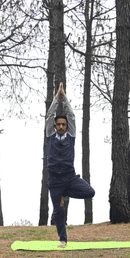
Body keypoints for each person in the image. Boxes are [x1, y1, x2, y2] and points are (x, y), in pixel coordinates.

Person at [44, 83, 95, 248]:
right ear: (54, 126)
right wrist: (55, 99)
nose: (60, 126)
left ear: (66, 127)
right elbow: (49, 115)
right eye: (58, 124)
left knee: (89, 192)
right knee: (58, 211)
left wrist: (63, 98)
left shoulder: (71, 136)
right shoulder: (50, 135)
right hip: (54, 180)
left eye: (63, 125)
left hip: (69, 177)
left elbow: (71, 116)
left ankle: (65, 192)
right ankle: (63, 240)